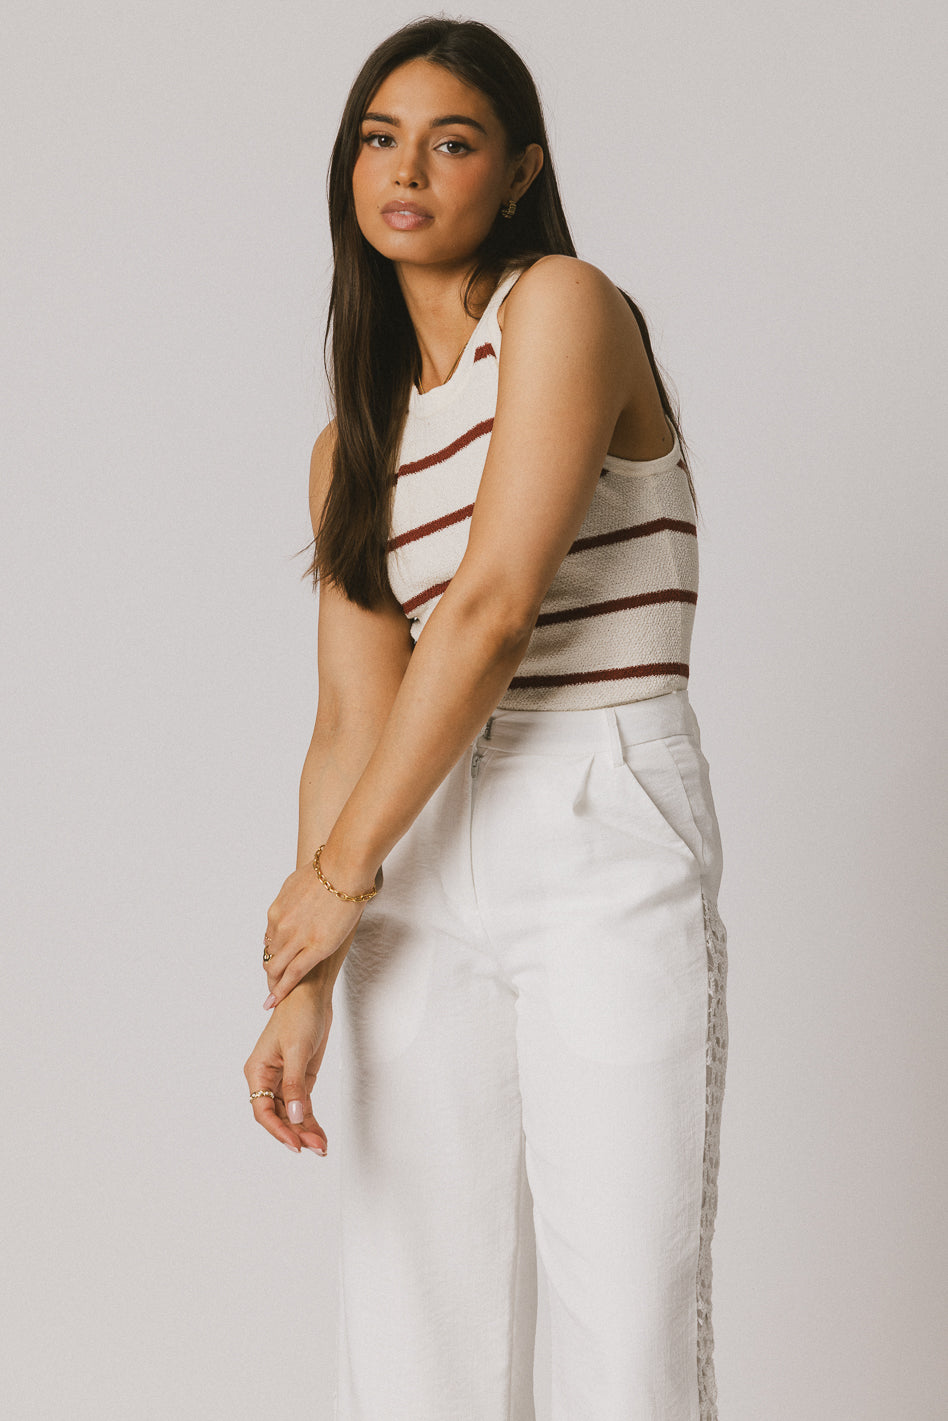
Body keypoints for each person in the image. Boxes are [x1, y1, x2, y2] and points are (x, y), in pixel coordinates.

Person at [243, 16, 729, 1421]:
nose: (408, 168)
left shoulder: (566, 305)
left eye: (451, 141)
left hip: (598, 820)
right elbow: (349, 712)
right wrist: (307, 970)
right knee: (407, 1312)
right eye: (378, 139)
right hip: (409, 847)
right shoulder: (356, 438)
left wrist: (338, 873)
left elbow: (495, 604)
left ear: (517, 171)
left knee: (623, 1307)